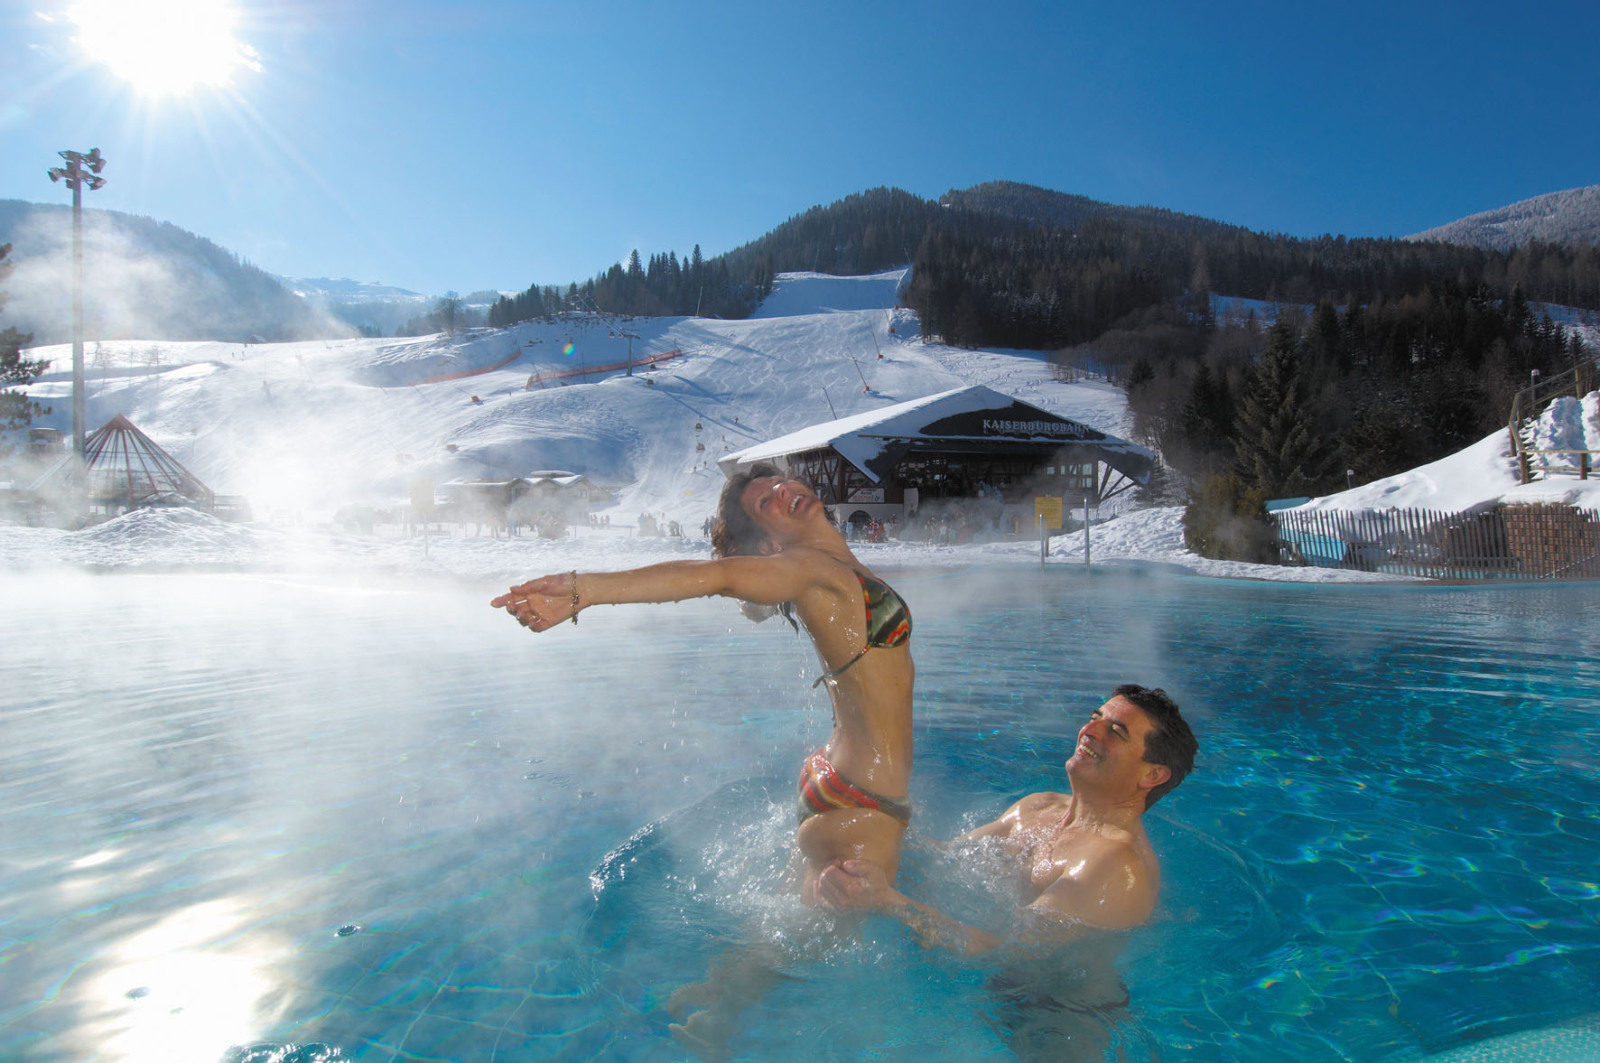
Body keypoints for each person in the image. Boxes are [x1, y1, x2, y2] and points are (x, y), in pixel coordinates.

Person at [492, 463, 916, 1057]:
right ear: (767, 542)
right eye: (765, 503)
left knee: (791, 919)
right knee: (817, 941)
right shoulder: (810, 569)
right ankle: (715, 1026)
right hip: (864, 801)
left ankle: (715, 990)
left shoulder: (830, 567)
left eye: (779, 485)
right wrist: (586, 590)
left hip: (837, 781)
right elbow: (716, 576)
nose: (783, 493)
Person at [818, 684, 1196, 953]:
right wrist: (863, 818)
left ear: (1152, 775)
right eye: (1094, 718)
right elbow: (946, 860)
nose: (1088, 731)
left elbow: (1011, 953)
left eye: (1115, 732)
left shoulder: (1116, 865)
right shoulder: (1038, 806)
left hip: (1056, 1014)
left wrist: (885, 901)